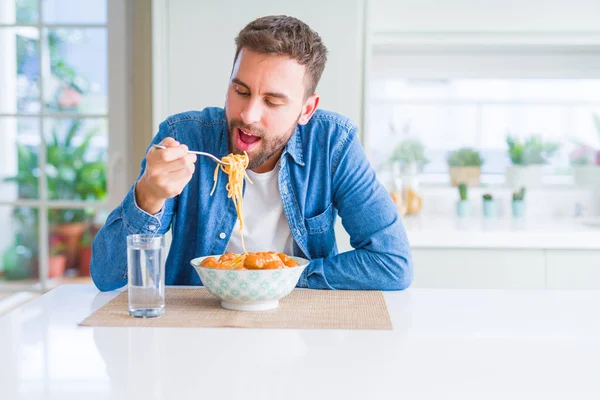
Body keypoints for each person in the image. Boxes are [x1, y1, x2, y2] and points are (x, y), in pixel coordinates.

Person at [90, 15, 413, 291]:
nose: (248, 115)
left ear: (306, 109)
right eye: (240, 91)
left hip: (300, 323)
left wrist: (275, 278)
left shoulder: (332, 144)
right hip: (196, 326)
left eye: (273, 101)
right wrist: (148, 197)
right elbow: (108, 278)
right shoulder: (183, 136)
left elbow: (391, 262)